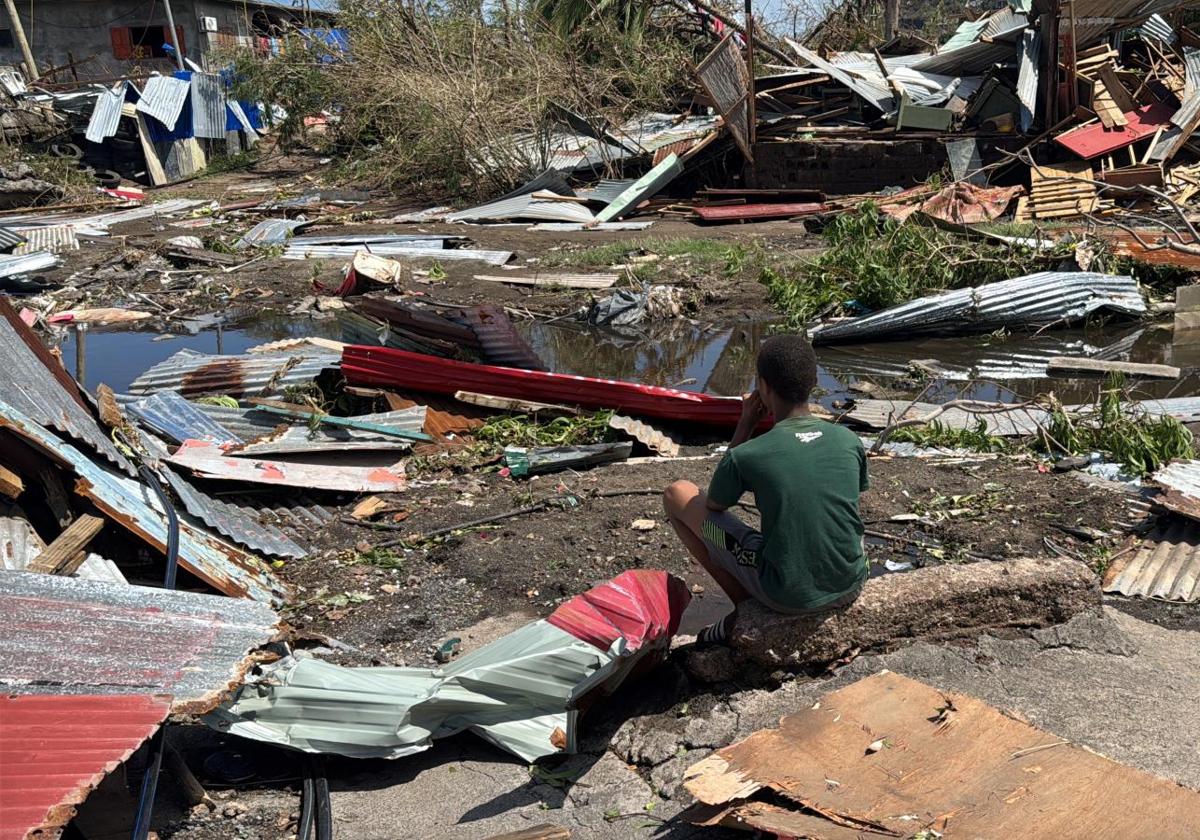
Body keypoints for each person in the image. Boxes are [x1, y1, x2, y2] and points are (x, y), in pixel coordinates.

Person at [663, 334, 869, 644]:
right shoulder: (848, 440)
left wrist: (744, 425)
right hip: (852, 580)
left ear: (763, 386)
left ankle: (744, 607)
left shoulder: (750, 454)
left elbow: (716, 503)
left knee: (677, 494)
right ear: (813, 381)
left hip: (787, 593)